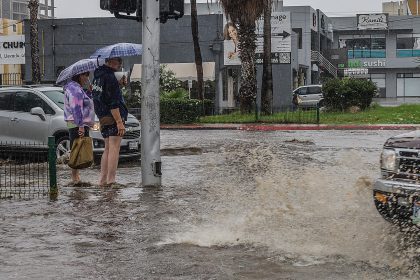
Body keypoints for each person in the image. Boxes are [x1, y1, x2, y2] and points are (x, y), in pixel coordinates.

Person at [91, 57, 128, 187]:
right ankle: (111, 180)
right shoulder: (110, 77)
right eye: (118, 63)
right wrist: (119, 121)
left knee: (107, 148)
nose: (119, 66)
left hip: (102, 117)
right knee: (114, 148)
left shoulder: (97, 76)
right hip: (113, 116)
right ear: (112, 62)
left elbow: (100, 96)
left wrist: (118, 86)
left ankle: (102, 180)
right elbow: (113, 102)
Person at [63, 71, 95, 184]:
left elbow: (84, 103)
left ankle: (76, 177)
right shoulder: (75, 89)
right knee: (76, 148)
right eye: (86, 75)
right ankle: (75, 178)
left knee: (77, 148)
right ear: (79, 75)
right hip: (77, 123)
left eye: (88, 75)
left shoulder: (77, 88)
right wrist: (81, 126)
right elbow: (76, 108)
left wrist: (89, 93)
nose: (87, 78)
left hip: (77, 123)